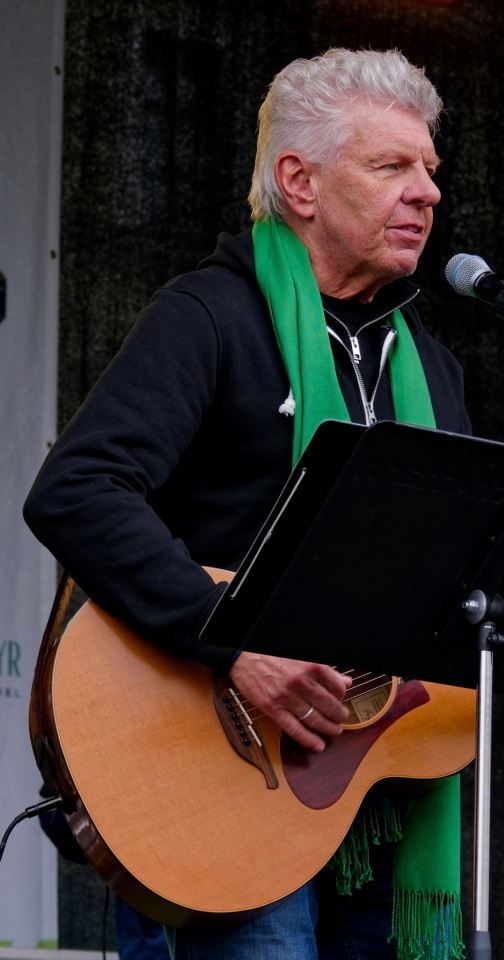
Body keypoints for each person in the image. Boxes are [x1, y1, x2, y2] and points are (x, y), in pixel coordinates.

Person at [24, 48, 472, 960]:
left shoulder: (431, 367)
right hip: (215, 776)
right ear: (299, 183)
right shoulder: (208, 317)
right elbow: (78, 490)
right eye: (391, 165)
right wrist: (234, 642)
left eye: (429, 167)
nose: (426, 191)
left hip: (378, 795)